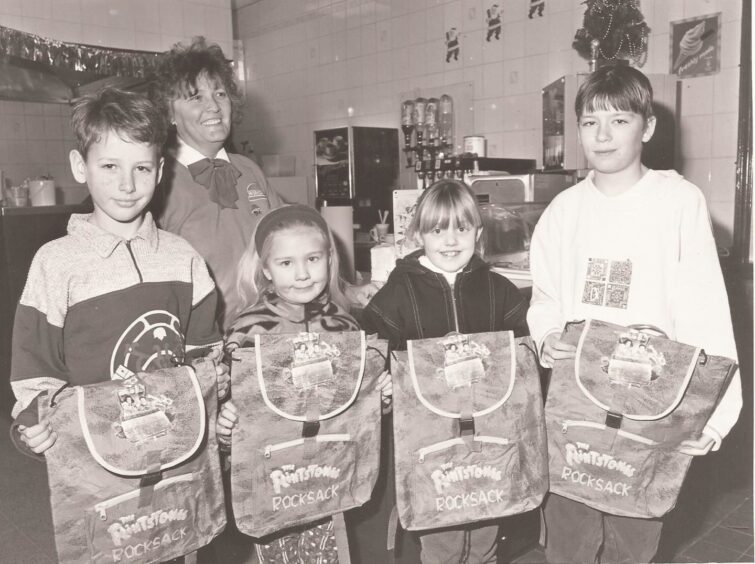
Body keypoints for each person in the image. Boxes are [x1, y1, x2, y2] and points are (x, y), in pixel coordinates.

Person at [526, 64, 742, 564]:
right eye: (589, 122)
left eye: (619, 121)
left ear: (647, 127)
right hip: (576, 404)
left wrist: (716, 413)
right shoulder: (563, 211)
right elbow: (546, 297)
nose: (602, 136)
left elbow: (705, 308)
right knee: (568, 538)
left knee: (635, 539)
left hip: (650, 405)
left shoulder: (677, 202)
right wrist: (548, 335)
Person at [150, 37, 375, 332]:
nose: (214, 107)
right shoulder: (156, 180)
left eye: (220, 94)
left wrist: (347, 290)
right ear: (169, 112)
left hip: (270, 333)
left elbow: (297, 243)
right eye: (195, 97)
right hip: (206, 345)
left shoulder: (248, 170)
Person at [360, 179, 529, 564]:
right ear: (418, 234)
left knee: (487, 523)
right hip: (429, 443)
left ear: (478, 234)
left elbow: (522, 355)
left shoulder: (500, 291)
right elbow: (372, 354)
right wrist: (382, 383)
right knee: (441, 538)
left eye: (462, 228)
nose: (451, 240)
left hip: (489, 435)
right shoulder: (396, 295)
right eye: (438, 229)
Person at [216, 204, 392, 563]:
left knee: (330, 552)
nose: (302, 274)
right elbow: (227, 409)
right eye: (285, 263)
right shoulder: (246, 333)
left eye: (312, 258)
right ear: (265, 268)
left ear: (330, 258)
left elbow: (357, 410)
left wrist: (381, 399)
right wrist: (224, 426)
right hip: (271, 480)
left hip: (329, 472)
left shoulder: (346, 327)